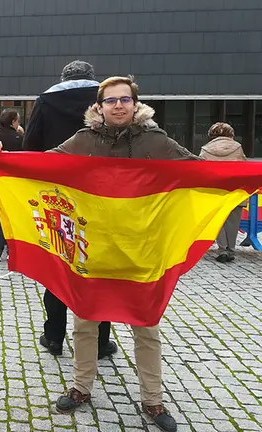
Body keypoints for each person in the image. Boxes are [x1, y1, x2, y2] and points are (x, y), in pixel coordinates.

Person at [52, 76, 199, 432]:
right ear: (99, 106)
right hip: (95, 248)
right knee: (85, 322)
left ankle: (152, 400)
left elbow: (197, 169)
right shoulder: (84, 140)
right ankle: (81, 387)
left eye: (125, 99)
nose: (119, 105)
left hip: (141, 250)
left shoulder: (155, 141)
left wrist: (240, 171)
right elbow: (45, 164)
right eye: (111, 100)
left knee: (146, 327)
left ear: (136, 104)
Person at [22, 60, 116, 358]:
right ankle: (100, 342)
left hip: (58, 197)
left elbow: (30, 148)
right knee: (98, 267)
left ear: (63, 78)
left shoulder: (46, 101)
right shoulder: (106, 101)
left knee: (59, 264)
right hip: (102, 197)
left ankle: (54, 336)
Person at [199, 122, 247, 262]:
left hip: (215, 191)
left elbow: (202, 170)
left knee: (217, 220)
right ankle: (231, 250)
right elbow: (243, 167)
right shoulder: (237, 147)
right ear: (230, 134)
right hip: (235, 190)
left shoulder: (205, 149)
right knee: (232, 221)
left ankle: (222, 249)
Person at [0, 109, 23, 260]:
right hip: (14, 183)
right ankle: (12, 250)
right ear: (13, 121)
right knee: (13, 217)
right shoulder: (20, 139)